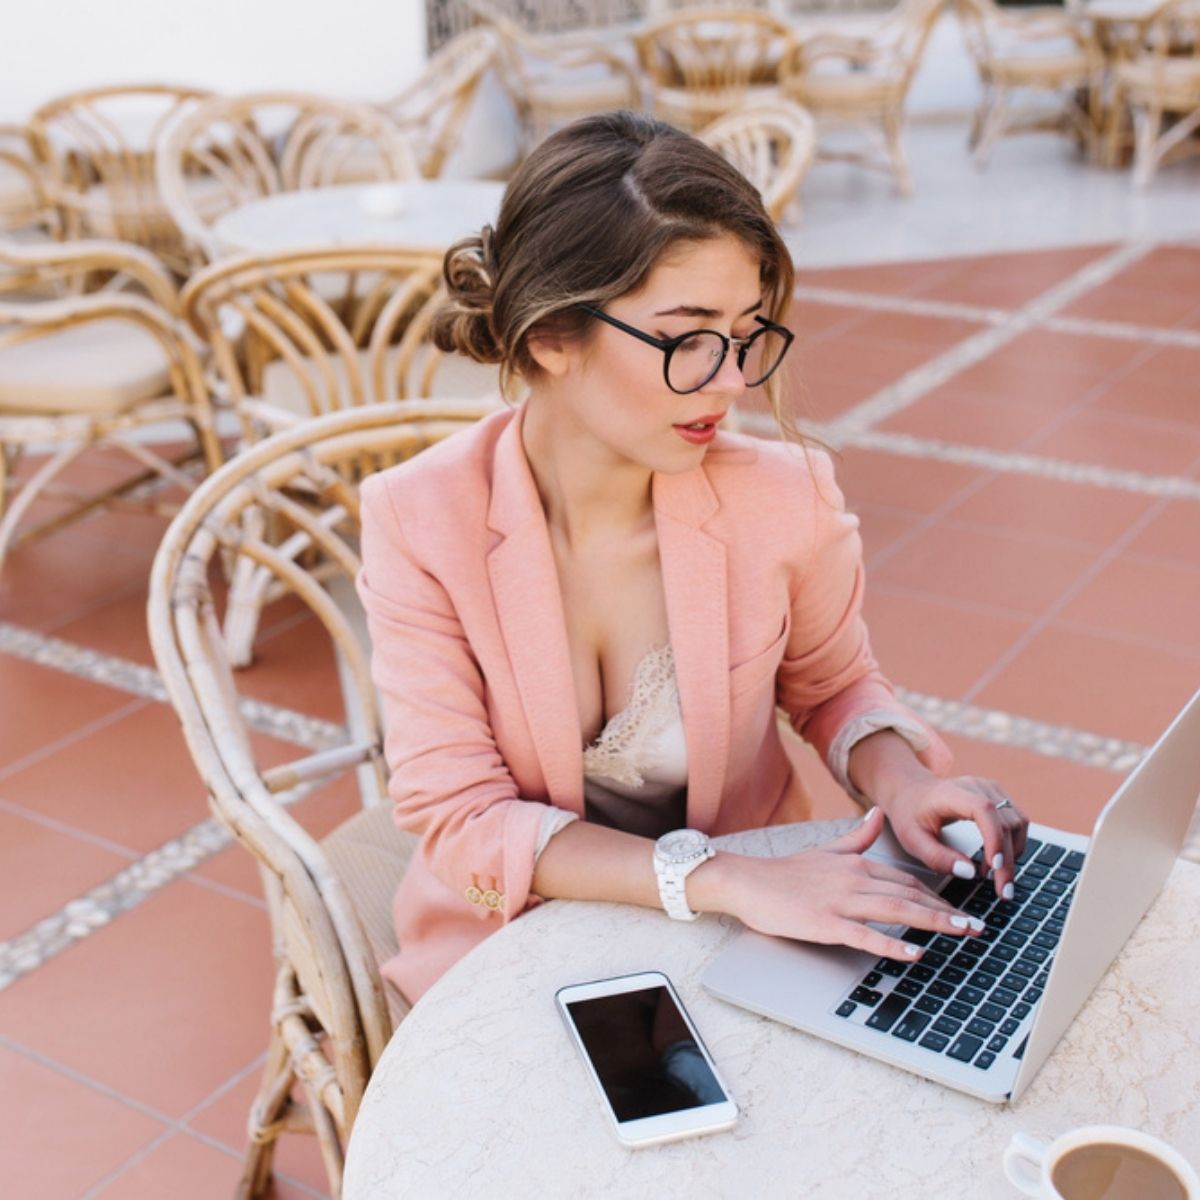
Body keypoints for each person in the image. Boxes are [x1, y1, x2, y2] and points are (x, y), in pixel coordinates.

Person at [357, 110, 1027, 1006]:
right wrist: (717, 879)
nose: (733, 380)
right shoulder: (419, 518)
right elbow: (463, 817)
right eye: (686, 338)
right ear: (550, 335)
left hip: (753, 923)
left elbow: (833, 689)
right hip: (516, 936)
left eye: (748, 331)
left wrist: (903, 782)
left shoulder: (783, 496)